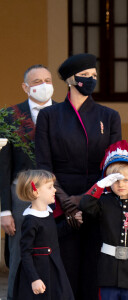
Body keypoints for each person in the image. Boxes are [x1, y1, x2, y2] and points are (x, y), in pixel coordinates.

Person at [35, 53, 122, 300]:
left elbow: (112, 167)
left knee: (94, 272)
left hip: (97, 201)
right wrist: (67, 202)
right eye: (86, 76)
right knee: (65, 270)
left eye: (94, 76)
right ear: (72, 79)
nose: (92, 80)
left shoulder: (109, 116)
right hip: (61, 203)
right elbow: (44, 165)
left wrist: (84, 200)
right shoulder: (49, 116)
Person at [0, 64, 55, 300]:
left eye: (48, 80)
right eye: (36, 82)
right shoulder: (8, 116)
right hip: (21, 195)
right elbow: (3, 167)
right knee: (19, 256)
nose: (43, 86)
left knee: (56, 255)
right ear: (25, 87)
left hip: (57, 193)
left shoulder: (64, 113)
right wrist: (4, 210)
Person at [79, 140, 128, 300]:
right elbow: (84, 205)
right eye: (115, 180)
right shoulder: (103, 201)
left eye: (126, 180)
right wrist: (99, 185)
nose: (120, 184)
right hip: (107, 271)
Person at [13, 169, 79, 300]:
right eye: (50, 187)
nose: (54, 190)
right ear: (35, 191)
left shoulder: (48, 213)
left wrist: (72, 221)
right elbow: (25, 253)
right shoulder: (31, 220)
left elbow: (53, 234)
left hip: (54, 268)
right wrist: (34, 279)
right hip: (39, 271)